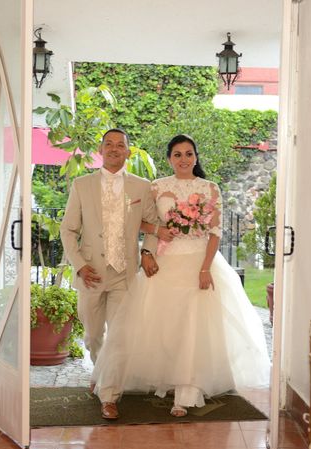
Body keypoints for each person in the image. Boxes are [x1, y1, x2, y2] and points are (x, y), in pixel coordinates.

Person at [91, 134, 271, 419]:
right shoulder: (157, 187)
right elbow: (141, 221)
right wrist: (155, 235)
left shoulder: (210, 188)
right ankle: (157, 380)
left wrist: (205, 268)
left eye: (189, 154)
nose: (184, 159)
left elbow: (215, 232)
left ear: (196, 157)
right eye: (177, 154)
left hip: (200, 262)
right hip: (164, 263)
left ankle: (187, 391)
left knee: (193, 328)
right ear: (169, 159)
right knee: (163, 326)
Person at [59, 128, 160, 375]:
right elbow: (68, 230)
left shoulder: (142, 186)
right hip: (91, 272)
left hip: (123, 273)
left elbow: (153, 226)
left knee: (119, 335)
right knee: (93, 336)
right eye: (109, 144)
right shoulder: (81, 185)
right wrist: (80, 265)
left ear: (127, 151)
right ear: (100, 150)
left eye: (120, 145)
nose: (114, 148)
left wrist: (147, 253)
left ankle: (109, 391)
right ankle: (100, 371)